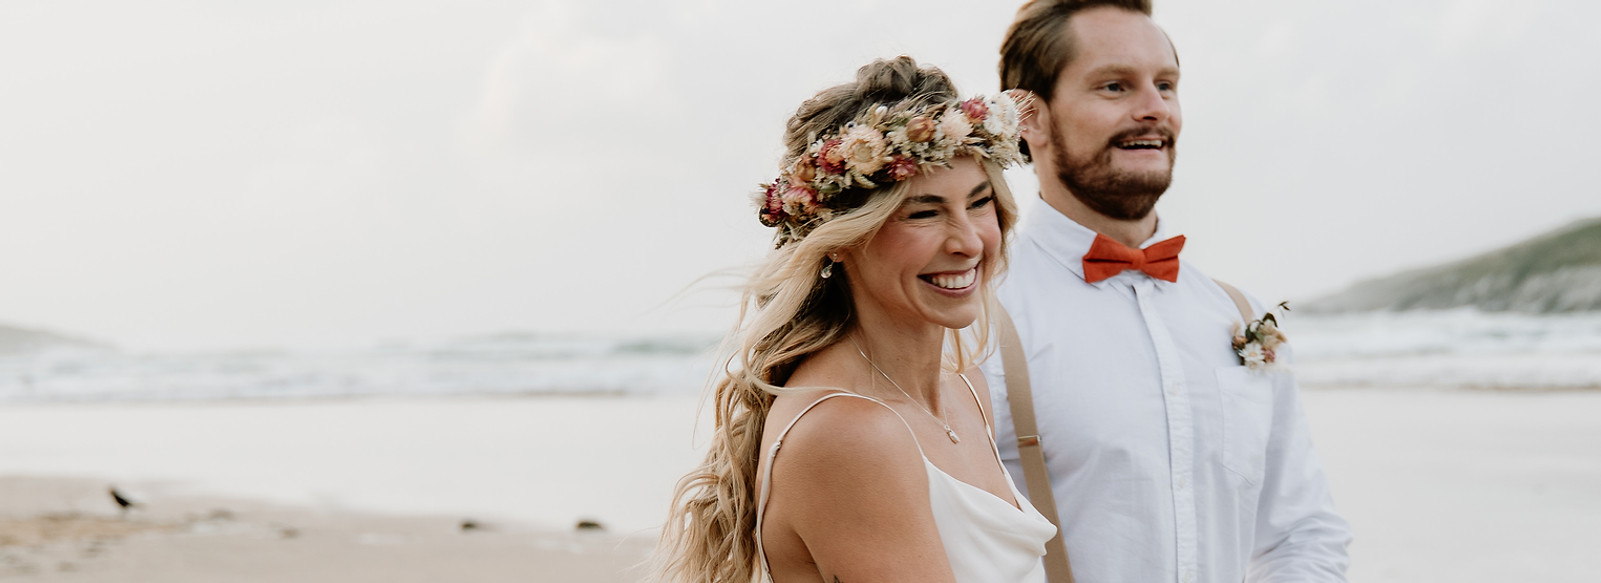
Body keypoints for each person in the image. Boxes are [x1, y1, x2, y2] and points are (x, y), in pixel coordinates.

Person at [979, 1, 1354, 582]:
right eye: (1114, 86)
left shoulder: (1243, 316)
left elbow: (1301, 533)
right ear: (1030, 118)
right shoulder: (975, 318)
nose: (1154, 108)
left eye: (1166, 85)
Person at [652, 56, 1056, 583]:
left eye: (980, 204)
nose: (969, 242)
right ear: (840, 239)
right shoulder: (850, 435)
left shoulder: (965, 391)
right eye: (924, 212)